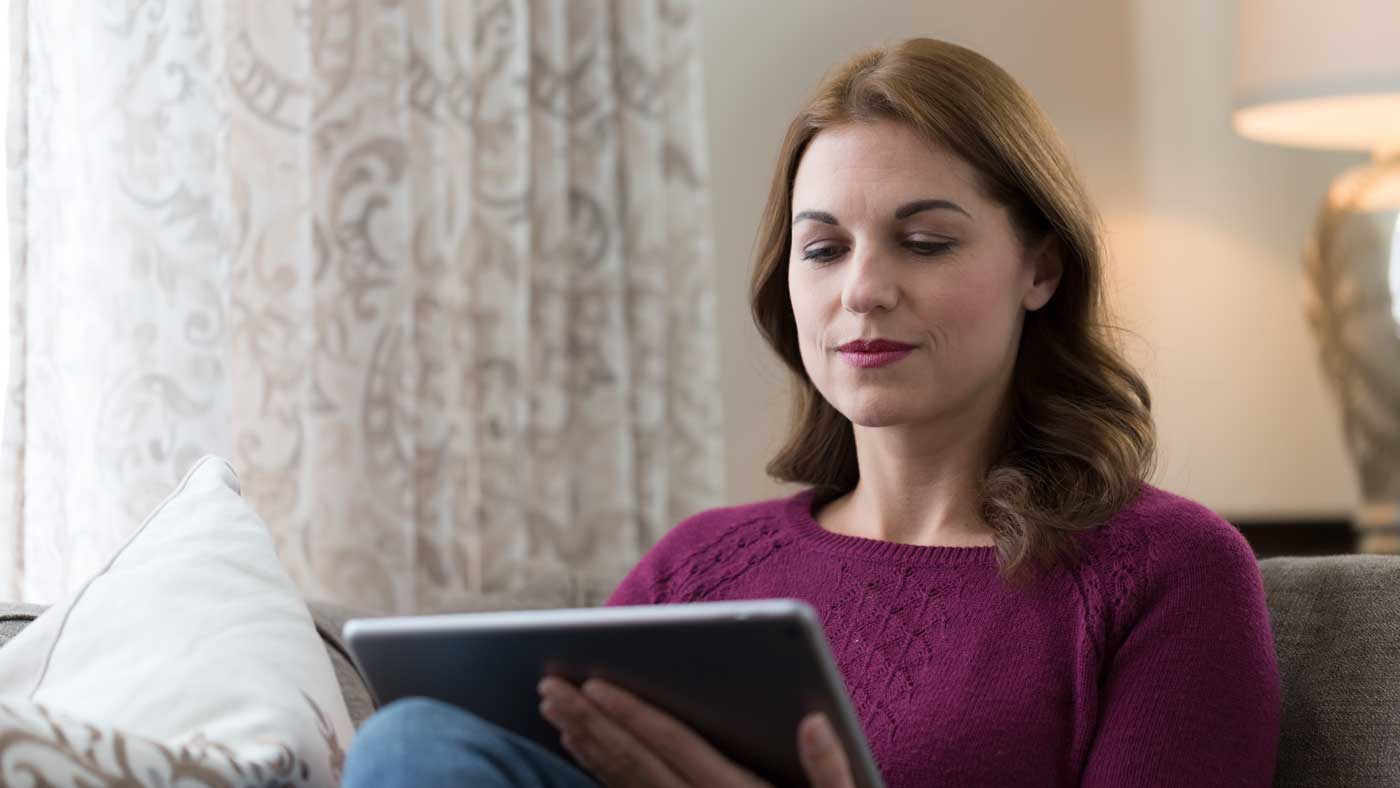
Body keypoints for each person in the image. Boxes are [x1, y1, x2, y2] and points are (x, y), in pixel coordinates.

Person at [342, 37, 1280, 788]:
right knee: (412, 743)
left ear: (1041, 267)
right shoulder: (698, 569)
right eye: (824, 249)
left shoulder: (1167, 573)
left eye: (923, 242)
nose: (863, 291)